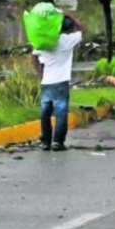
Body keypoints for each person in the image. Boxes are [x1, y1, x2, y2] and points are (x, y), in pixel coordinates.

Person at [31, 13, 84, 152]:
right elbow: (83, 31)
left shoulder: (46, 40)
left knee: (45, 112)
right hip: (61, 82)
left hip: (47, 82)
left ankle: (46, 141)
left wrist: (40, 74)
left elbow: (33, 56)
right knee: (60, 112)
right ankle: (58, 142)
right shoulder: (67, 40)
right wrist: (71, 16)